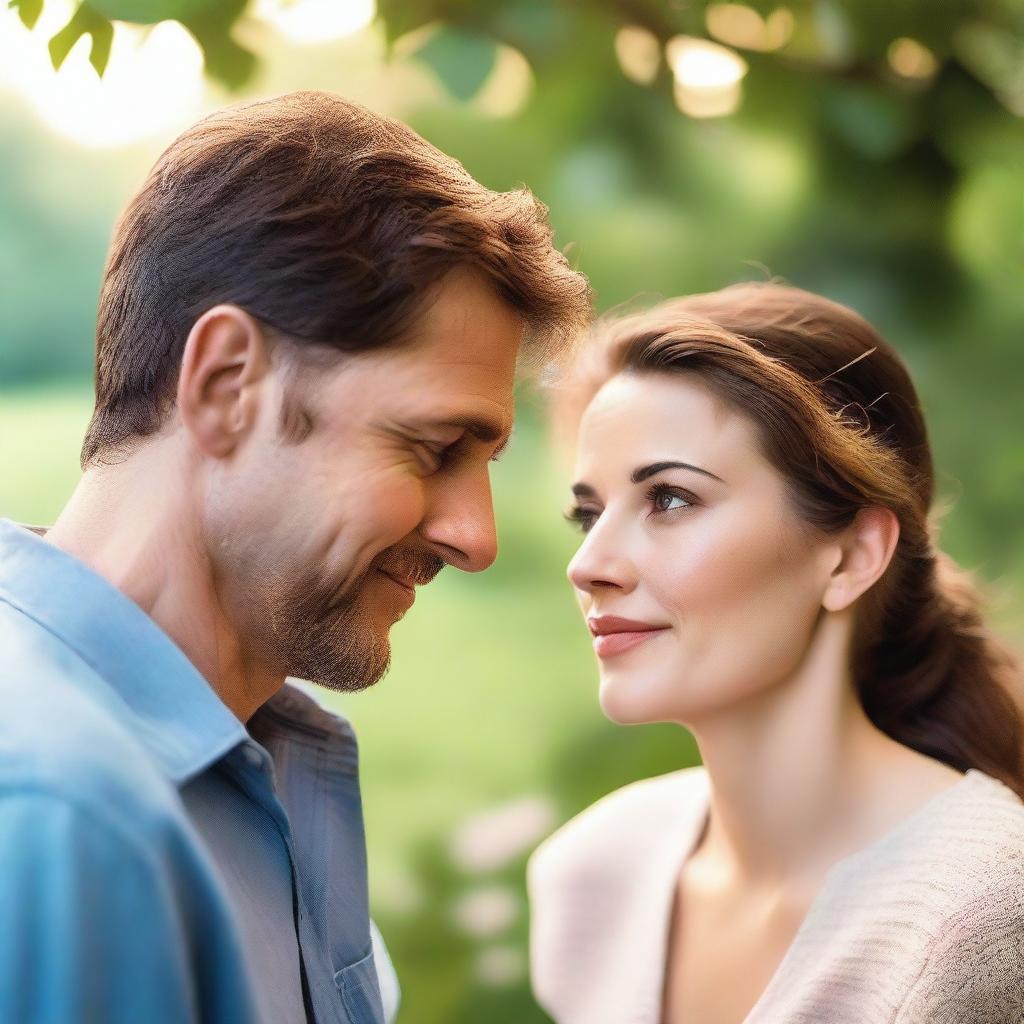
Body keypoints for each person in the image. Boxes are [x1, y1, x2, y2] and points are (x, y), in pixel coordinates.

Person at [0, 90, 590, 1024]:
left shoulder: (262, 762)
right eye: (434, 448)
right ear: (230, 385)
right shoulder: (60, 817)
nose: (476, 538)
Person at [527, 283, 1024, 1024]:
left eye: (668, 498)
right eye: (589, 515)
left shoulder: (980, 913)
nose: (589, 565)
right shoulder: (592, 876)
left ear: (852, 555)